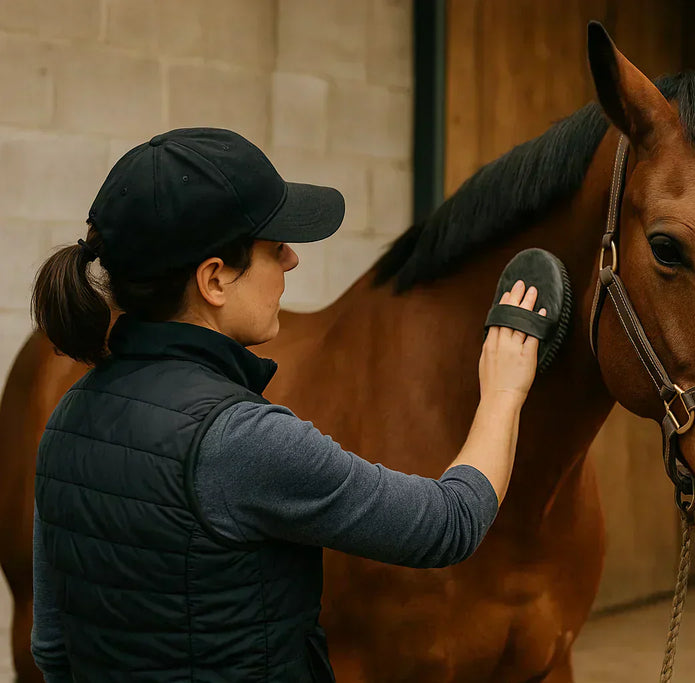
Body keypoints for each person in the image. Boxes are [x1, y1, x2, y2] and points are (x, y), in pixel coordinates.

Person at [29, 127, 545, 682]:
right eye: (275, 247)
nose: (293, 261)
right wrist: (504, 392)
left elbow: (53, 647)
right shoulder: (242, 439)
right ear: (215, 278)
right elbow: (448, 523)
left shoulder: (67, 418)